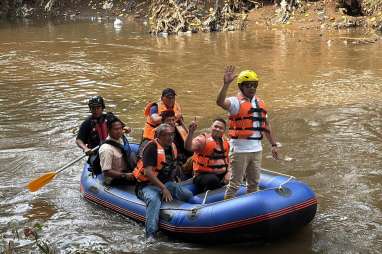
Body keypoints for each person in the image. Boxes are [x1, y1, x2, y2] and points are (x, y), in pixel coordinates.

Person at [216, 65, 279, 199]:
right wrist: (225, 84)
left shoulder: (259, 103)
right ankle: (228, 212)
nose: (252, 88)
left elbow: (266, 125)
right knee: (235, 184)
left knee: (254, 184)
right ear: (241, 87)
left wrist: (273, 145)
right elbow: (220, 102)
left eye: (254, 85)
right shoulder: (235, 103)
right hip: (240, 151)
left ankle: (252, 211)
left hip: (256, 150)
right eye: (248, 85)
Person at [133, 123, 193, 240]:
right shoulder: (151, 148)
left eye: (172, 134)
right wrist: (163, 188)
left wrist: (174, 181)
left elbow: (173, 166)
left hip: (166, 183)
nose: (170, 137)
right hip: (146, 185)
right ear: (159, 136)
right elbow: (148, 173)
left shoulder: (172, 146)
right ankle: (151, 234)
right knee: (154, 200)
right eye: (167, 135)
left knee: (187, 194)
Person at [185, 118, 231, 193]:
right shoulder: (202, 139)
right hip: (203, 175)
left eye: (221, 128)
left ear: (224, 131)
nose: (217, 129)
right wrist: (191, 132)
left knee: (239, 172)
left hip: (222, 174)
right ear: (211, 127)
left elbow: (230, 159)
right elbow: (188, 147)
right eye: (215, 126)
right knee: (212, 180)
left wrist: (229, 172)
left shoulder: (226, 141)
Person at [99, 115, 136, 185]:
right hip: (115, 178)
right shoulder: (106, 149)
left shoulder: (120, 138)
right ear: (108, 130)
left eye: (120, 128)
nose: (119, 131)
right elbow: (106, 171)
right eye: (116, 129)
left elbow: (126, 129)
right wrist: (125, 175)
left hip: (125, 169)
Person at [76, 96, 108, 164]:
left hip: (112, 148)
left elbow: (122, 127)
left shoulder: (110, 118)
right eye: (93, 108)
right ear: (90, 109)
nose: (95, 110)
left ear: (102, 108)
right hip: (96, 152)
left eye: (98, 108)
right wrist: (85, 148)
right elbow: (79, 140)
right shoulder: (87, 123)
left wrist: (126, 128)